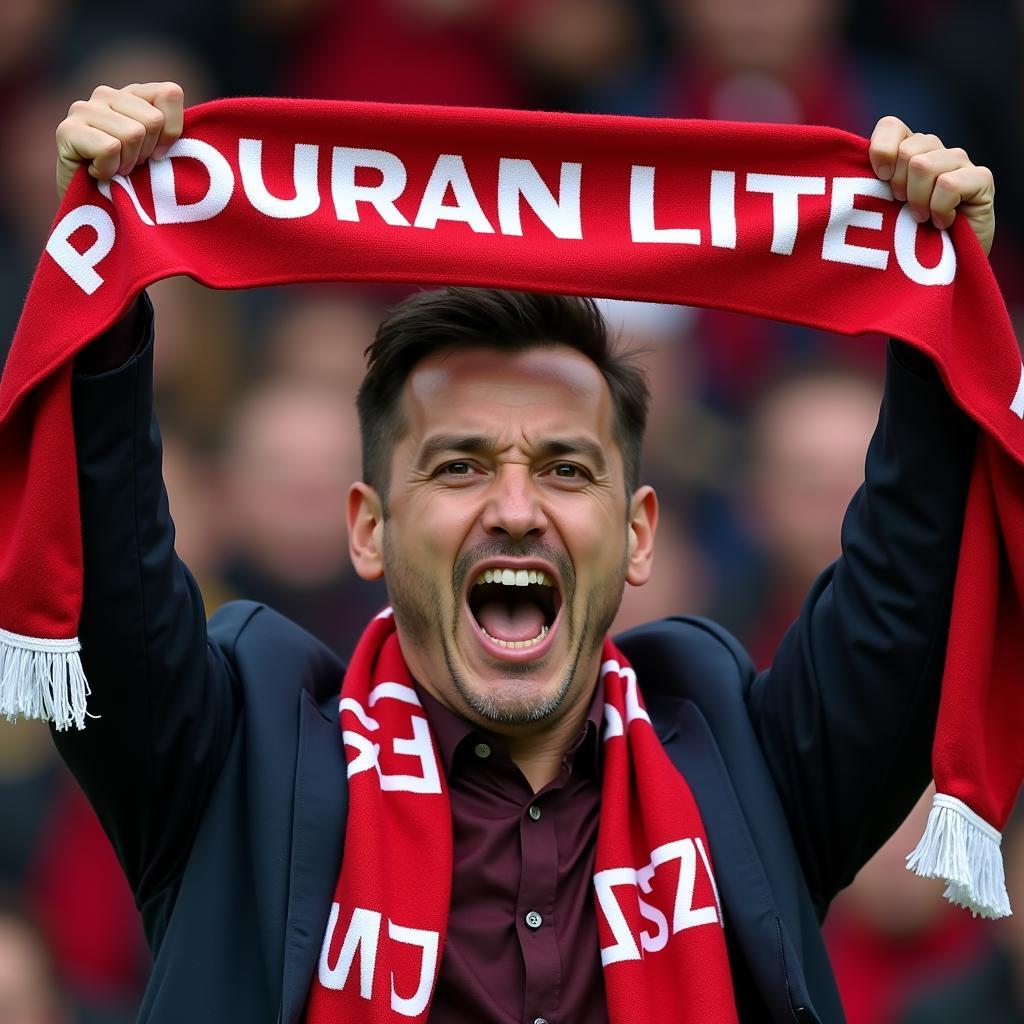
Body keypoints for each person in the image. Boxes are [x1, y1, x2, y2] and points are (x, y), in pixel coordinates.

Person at [50, 82, 994, 1023]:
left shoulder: (746, 770)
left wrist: (940, 307)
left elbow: (904, 598)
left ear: (638, 535)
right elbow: (107, 577)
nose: (514, 509)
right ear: (368, 529)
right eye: (459, 467)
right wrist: (101, 272)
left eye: (567, 471)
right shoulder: (235, 764)